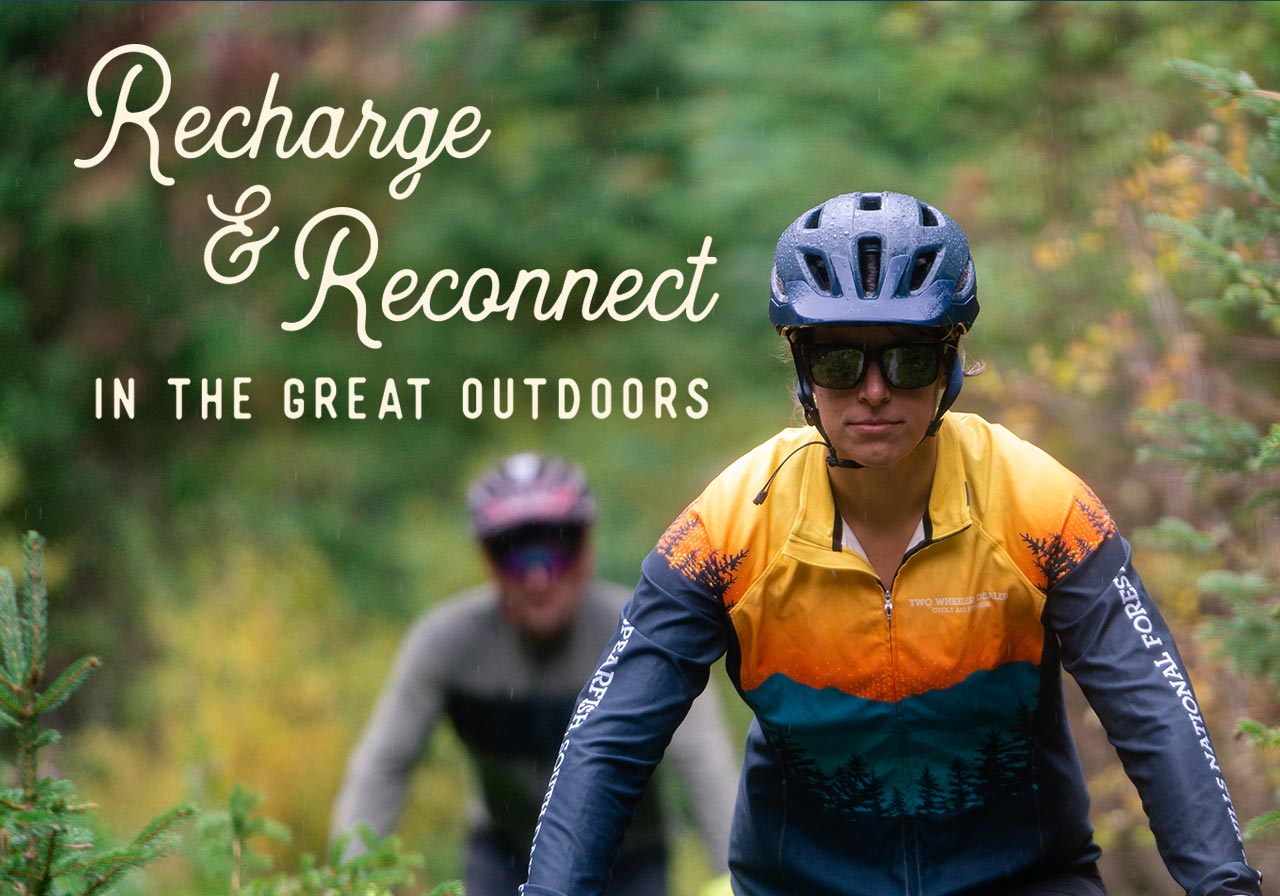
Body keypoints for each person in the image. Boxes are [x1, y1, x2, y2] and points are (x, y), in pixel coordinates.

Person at [520, 191, 1264, 896]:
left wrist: (1225, 885)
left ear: (950, 364)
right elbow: (610, 739)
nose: (874, 390)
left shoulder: (1035, 502)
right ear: (801, 367)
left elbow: (1153, 709)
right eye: (839, 361)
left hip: (1024, 881)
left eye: (907, 359)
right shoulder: (732, 525)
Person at [330, 452, 739, 896]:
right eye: (515, 553)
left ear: (588, 548)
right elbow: (383, 767)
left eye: (558, 546)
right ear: (486, 560)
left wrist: (735, 880)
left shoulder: (645, 633)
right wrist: (354, 881)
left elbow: (706, 768)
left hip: (627, 859)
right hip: (505, 857)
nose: (539, 577)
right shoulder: (444, 644)